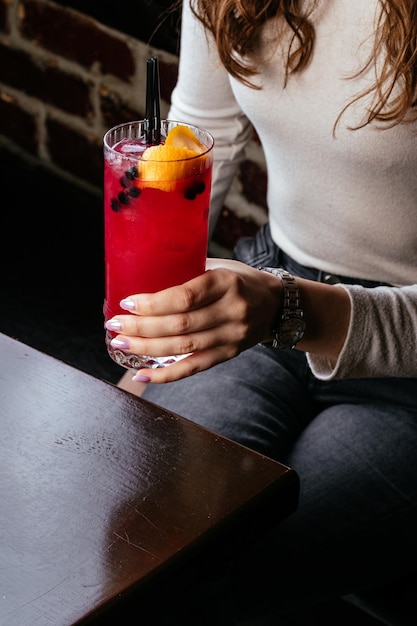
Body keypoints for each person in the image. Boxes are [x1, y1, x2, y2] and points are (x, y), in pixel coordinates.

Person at [105, 0, 417, 623]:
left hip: (403, 368)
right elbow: (193, 141)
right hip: (269, 292)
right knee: (150, 541)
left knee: (199, 571)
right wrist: (153, 343)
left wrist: (290, 311)